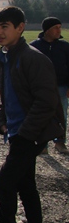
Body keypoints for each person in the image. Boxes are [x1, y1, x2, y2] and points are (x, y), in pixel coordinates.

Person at [0, 6, 64, 223]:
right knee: (26, 185)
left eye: (5, 26)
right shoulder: (5, 57)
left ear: (20, 27)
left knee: (5, 183)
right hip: (17, 131)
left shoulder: (33, 59)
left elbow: (46, 102)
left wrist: (25, 134)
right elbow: (7, 98)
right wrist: (1, 121)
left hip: (31, 134)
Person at [30, 16, 69, 154]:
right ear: (47, 30)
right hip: (41, 88)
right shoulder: (34, 46)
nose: (59, 30)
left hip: (61, 87)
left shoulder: (65, 46)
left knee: (61, 115)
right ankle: (42, 145)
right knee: (41, 115)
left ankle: (60, 143)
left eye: (60, 27)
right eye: (56, 28)